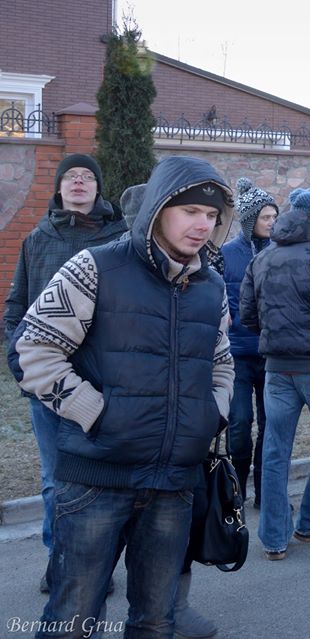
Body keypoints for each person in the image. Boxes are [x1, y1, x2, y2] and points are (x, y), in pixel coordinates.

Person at [8, 156, 235, 635]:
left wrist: (208, 414)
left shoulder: (211, 286)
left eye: (212, 216)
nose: (202, 224)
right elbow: (32, 348)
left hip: (173, 483)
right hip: (97, 479)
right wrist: (95, 412)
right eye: (191, 210)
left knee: (155, 621)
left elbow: (221, 362)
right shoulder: (94, 266)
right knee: (72, 621)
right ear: (158, 208)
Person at [3, 153, 126, 592]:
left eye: (87, 176)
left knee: (101, 480)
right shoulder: (39, 237)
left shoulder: (120, 236)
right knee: (55, 480)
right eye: (70, 176)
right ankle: (59, 561)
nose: (78, 182)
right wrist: (18, 359)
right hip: (48, 383)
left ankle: (97, 565)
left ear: (97, 188)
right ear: (59, 187)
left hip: (103, 379)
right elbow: (16, 305)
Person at [240, 187, 310, 561]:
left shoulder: (262, 259)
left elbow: (248, 315)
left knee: (274, 449)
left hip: (276, 368)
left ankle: (273, 538)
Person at [221, 177, 277, 509]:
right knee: (240, 424)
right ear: (248, 219)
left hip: (272, 354)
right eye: (265, 217)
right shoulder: (226, 255)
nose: (272, 222)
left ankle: (265, 492)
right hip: (238, 355)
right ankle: (237, 490)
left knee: (271, 425)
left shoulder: (280, 253)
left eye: (274, 216)